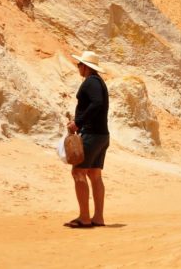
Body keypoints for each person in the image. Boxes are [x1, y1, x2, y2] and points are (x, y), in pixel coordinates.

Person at [65, 51, 110, 229]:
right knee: (94, 174)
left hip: (91, 135)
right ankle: (98, 217)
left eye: (79, 65)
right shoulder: (99, 82)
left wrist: (78, 122)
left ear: (86, 67)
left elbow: (96, 103)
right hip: (102, 135)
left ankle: (84, 218)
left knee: (78, 172)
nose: (78, 67)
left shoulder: (91, 82)